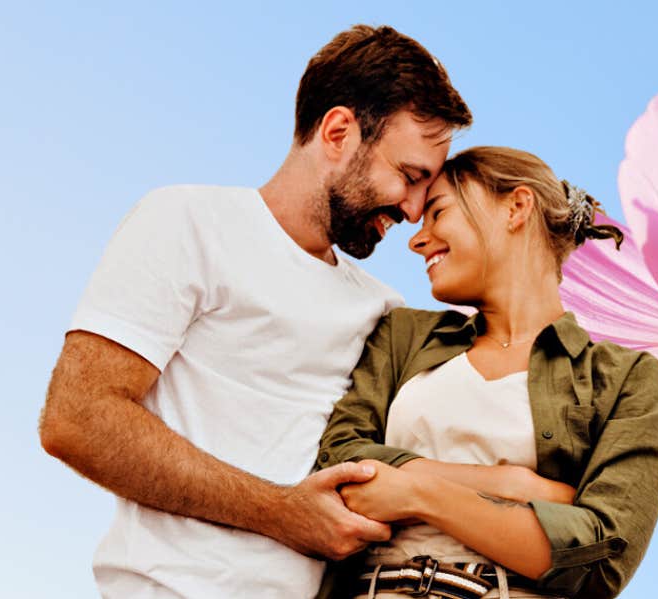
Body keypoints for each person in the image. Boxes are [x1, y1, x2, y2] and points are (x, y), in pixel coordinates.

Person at [38, 25, 471, 598]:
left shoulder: (382, 312)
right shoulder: (188, 223)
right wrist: (281, 512)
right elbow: (77, 418)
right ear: (339, 132)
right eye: (410, 176)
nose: (415, 210)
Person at [315, 147, 658, 599]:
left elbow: (600, 557)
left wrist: (415, 494)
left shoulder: (626, 379)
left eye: (437, 212)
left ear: (517, 207)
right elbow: (340, 463)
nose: (417, 239)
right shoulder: (403, 335)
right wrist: (510, 485)